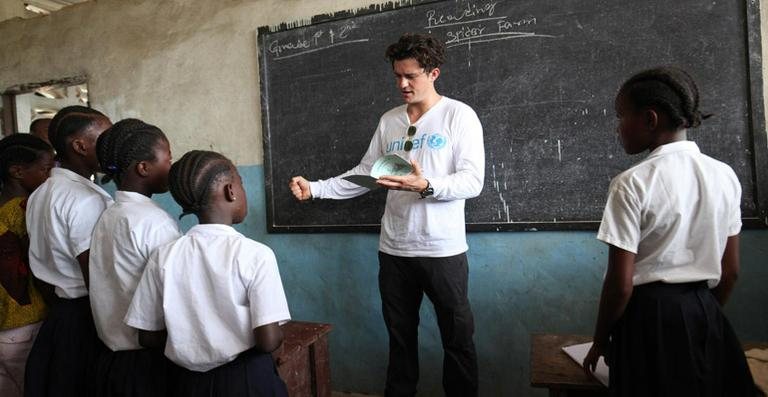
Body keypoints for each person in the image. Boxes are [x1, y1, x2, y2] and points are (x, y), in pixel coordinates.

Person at [289, 33, 484, 397]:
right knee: (400, 341)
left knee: (457, 341)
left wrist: (424, 185)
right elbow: (367, 174)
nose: (403, 84)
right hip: (394, 250)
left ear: (434, 73)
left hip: (443, 251)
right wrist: (315, 187)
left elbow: (473, 181)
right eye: (397, 76)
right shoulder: (390, 121)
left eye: (411, 76)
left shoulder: (459, 116)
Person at [583, 66, 757, 396]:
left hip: (649, 317)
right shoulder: (725, 176)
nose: (618, 128)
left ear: (650, 120)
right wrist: (701, 317)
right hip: (704, 307)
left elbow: (620, 285)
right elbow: (730, 271)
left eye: (622, 116)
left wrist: (600, 338)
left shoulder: (631, 183)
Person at [125, 150, 291, 397]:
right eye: (241, 184)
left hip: (185, 382)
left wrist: (192, 338)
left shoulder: (163, 256)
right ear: (230, 191)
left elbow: (147, 336)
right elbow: (268, 341)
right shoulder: (255, 254)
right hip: (244, 378)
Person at [24, 105, 113, 397]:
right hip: (88, 315)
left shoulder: (40, 194)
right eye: (105, 137)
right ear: (80, 145)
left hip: (60, 313)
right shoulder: (83, 199)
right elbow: (94, 274)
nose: (112, 145)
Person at [88, 119, 180, 396]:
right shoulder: (154, 222)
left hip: (112, 358)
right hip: (146, 361)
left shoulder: (109, 215)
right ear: (144, 167)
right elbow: (175, 291)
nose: (171, 166)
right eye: (168, 158)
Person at [0, 134, 54, 397]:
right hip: (26, 321)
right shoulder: (23, 210)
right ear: (17, 171)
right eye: (45, 169)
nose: (51, 176)